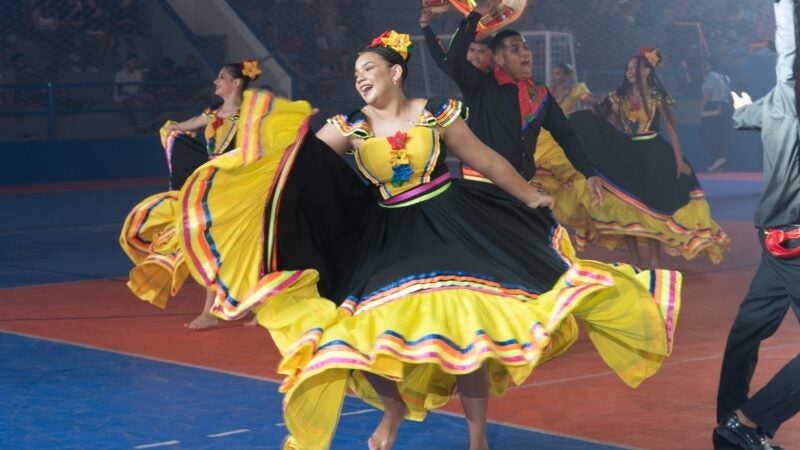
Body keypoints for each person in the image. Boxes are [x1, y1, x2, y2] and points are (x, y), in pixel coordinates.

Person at [177, 31, 681, 450]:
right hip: (386, 232)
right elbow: (299, 164)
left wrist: (531, 197)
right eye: (356, 73)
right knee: (354, 329)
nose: (361, 79)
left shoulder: (436, 113)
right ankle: (392, 406)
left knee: (467, 326)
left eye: (369, 69)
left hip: (451, 222)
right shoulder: (348, 125)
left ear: (395, 73)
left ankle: (477, 436)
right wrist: (250, 167)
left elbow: (486, 161)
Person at [713, 1, 800, 449]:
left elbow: (745, 116)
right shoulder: (787, 94)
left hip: (775, 242)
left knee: (748, 329)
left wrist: (744, 108)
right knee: (748, 330)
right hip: (795, 243)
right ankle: (746, 423)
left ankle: (728, 424)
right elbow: (788, 50)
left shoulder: (774, 106)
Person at [119, 60, 261, 331]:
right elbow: (188, 124)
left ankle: (243, 308)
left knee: (236, 248)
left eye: (221, 77)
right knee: (215, 247)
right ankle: (228, 308)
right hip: (211, 187)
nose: (216, 82)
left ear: (236, 83)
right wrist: (171, 131)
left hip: (236, 188)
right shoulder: (214, 112)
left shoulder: (250, 114)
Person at [567, 47, 730, 268]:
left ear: (646, 71)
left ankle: (654, 258)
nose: (630, 71)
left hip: (654, 155)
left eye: (635, 67)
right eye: (627, 68)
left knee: (650, 206)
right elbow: (609, 126)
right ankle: (635, 257)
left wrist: (679, 161)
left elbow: (671, 130)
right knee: (627, 205)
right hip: (627, 153)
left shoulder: (656, 96)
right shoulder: (618, 97)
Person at [442, 0, 604, 207]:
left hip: (522, 189)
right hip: (481, 188)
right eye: (515, 49)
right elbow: (454, 60)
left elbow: (565, 133)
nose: (525, 53)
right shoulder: (480, 85)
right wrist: (475, 15)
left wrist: (588, 172)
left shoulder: (540, 93)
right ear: (498, 58)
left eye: (526, 47)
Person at [419, 6, 493, 77]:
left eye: (481, 52)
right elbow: (437, 53)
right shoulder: (457, 71)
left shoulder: (498, 74)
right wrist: (424, 24)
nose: (475, 57)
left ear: (491, 54)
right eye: (472, 50)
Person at [699, 58, 733, 172]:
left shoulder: (711, 75)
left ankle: (718, 157)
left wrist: (701, 106)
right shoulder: (726, 77)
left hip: (712, 106)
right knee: (718, 135)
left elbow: (708, 92)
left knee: (705, 134)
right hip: (724, 106)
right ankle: (718, 161)